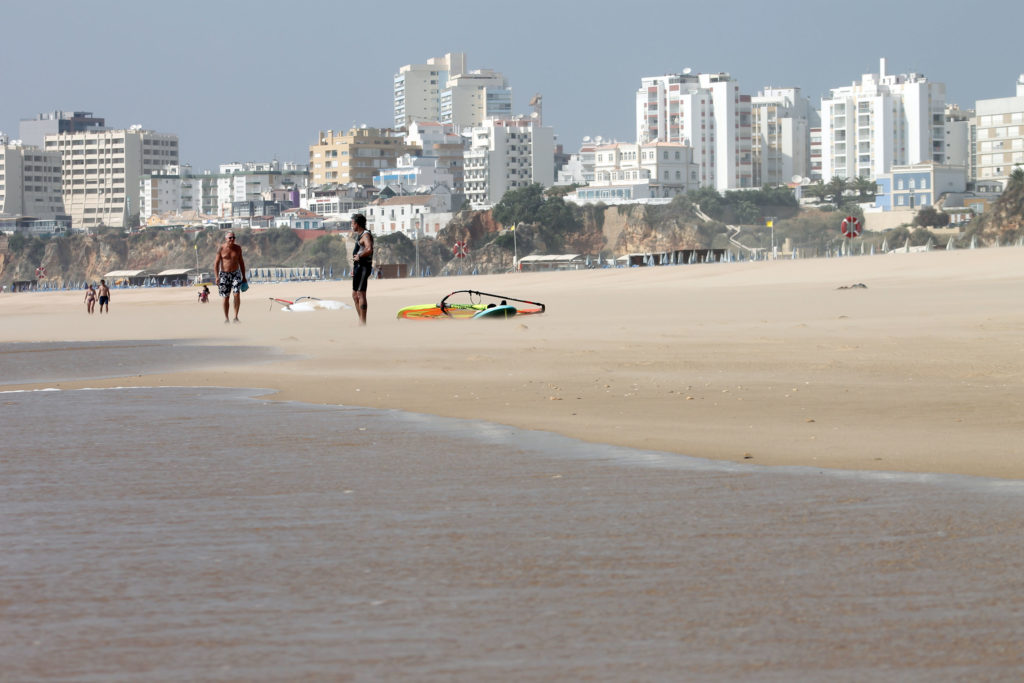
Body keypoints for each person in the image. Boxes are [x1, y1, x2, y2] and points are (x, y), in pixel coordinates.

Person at [214, 231, 247, 323]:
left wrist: (244, 276)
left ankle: (235, 317)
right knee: (226, 297)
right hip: (224, 275)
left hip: (236, 273)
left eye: (234, 237)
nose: (232, 239)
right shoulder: (221, 248)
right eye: (230, 238)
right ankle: (226, 318)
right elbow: (216, 264)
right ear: (226, 239)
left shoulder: (238, 248)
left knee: (237, 294)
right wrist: (217, 277)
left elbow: (241, 262)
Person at [350, 214, 373, 325]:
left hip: (363, 267)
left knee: (360, 293)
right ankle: (361, 320)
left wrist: (359, 256)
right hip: (358, 267)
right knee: (355, 295)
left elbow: (369, 249)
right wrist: (354, 268)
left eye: (352, 223)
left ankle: (363, 323)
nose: (352, 226)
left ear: (357, 224)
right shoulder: (359, 235)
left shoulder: (366, 235)